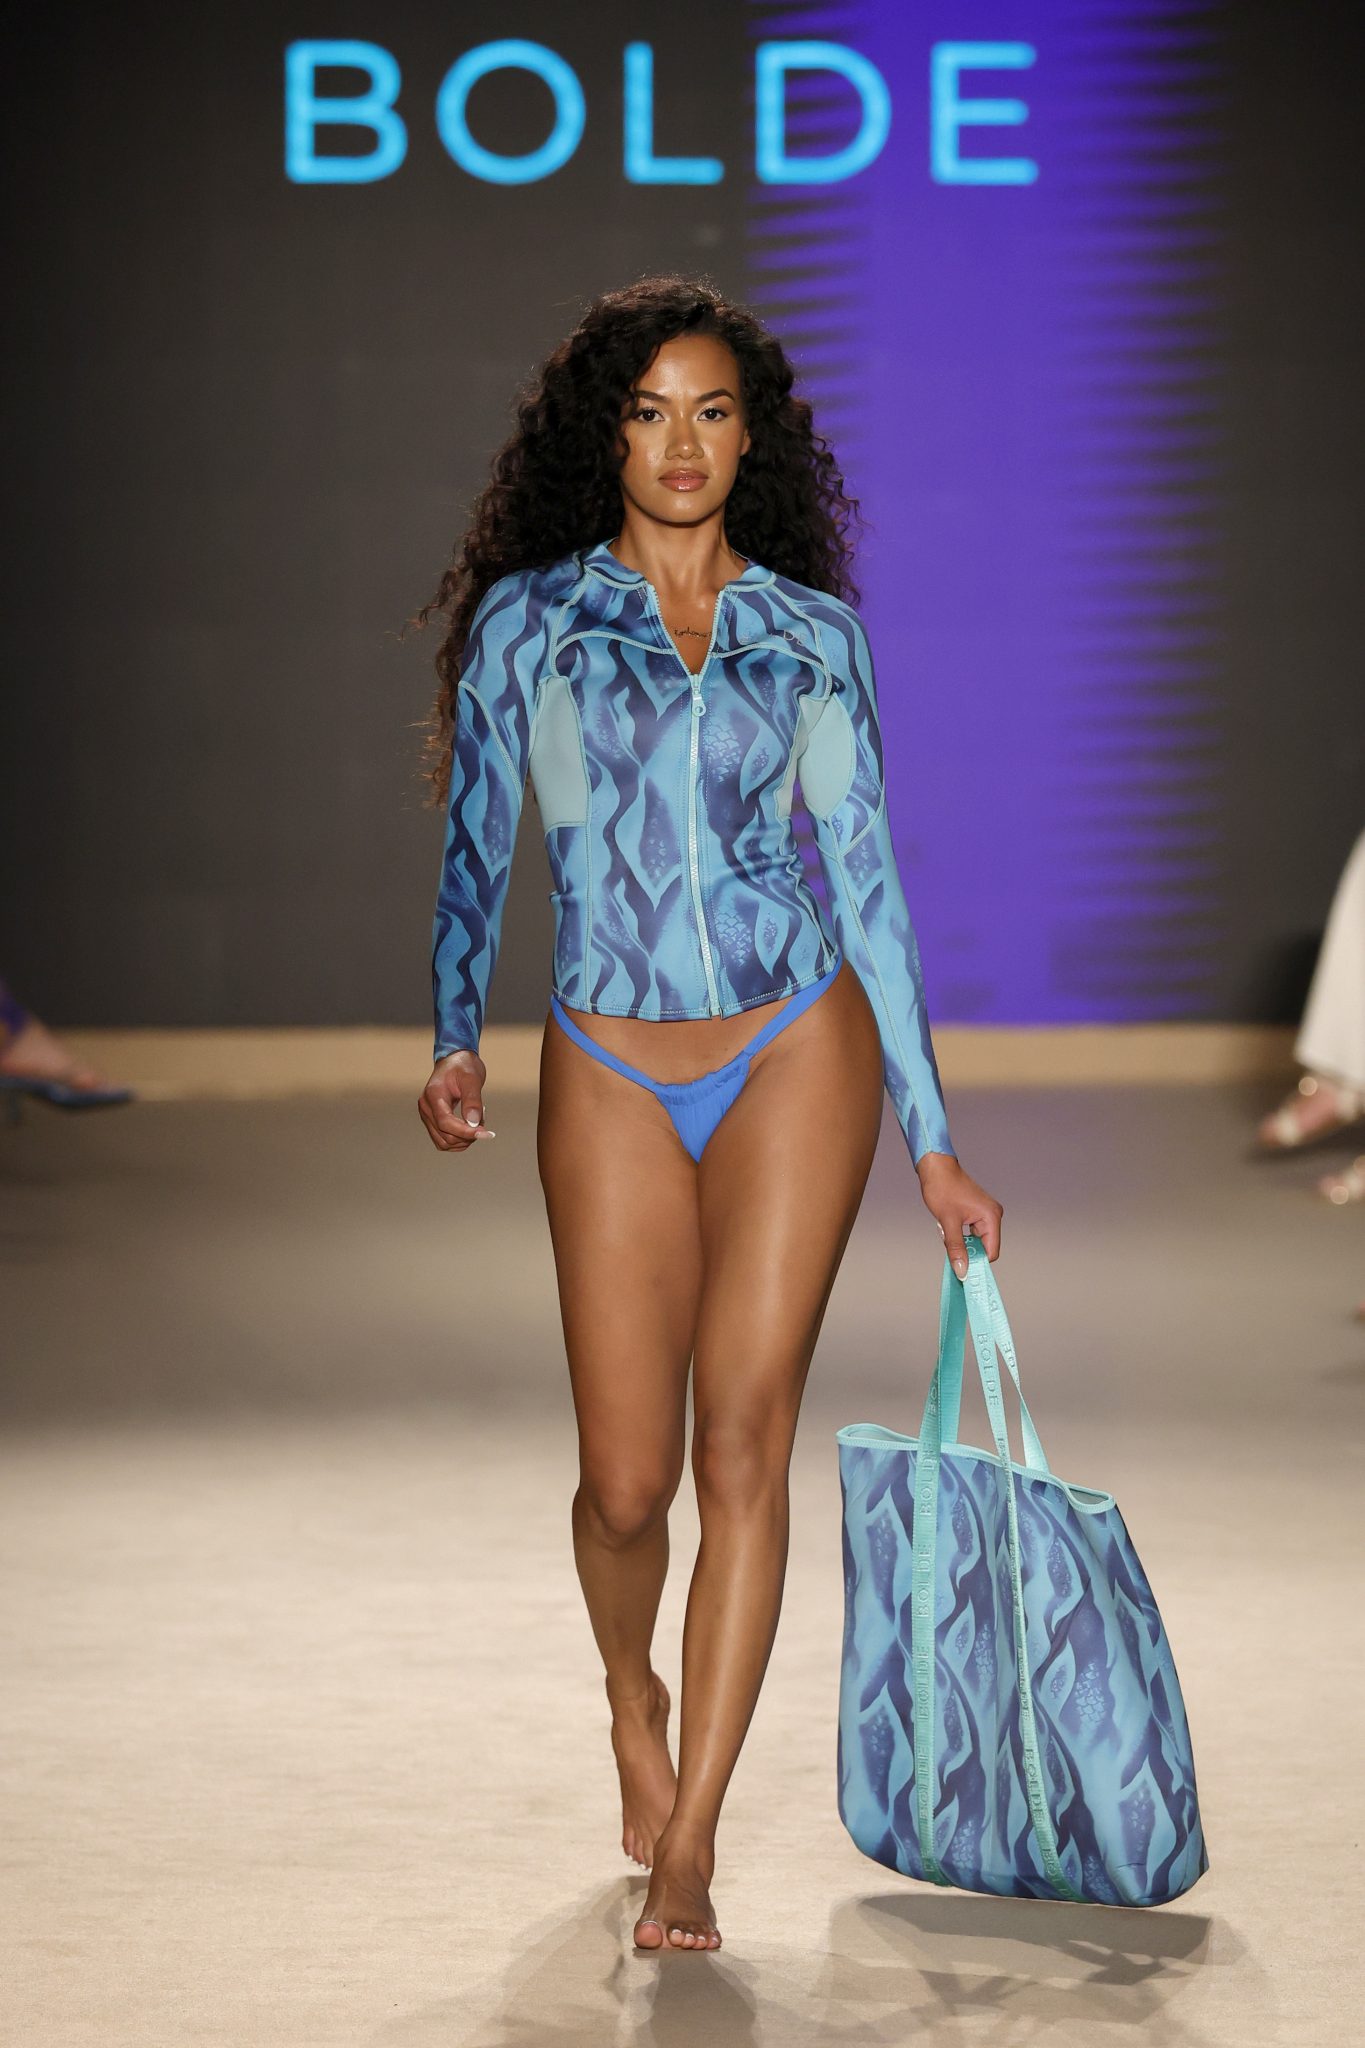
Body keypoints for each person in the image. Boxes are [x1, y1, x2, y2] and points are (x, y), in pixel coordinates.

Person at [408, 277, 1004, 1954]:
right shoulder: (530, 622)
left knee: (745, 1441)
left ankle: (693, 1840)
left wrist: (932, 1137)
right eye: (649, 410)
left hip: (792, 1047)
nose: (682, 442)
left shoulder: (810, 634)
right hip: (605, 1056)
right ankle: (631, 1691)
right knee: (624, 1484)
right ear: (604, 434)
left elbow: (864, 879)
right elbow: (479, 841)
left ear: (754, 438)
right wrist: (452, 1033)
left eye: (714, 410)